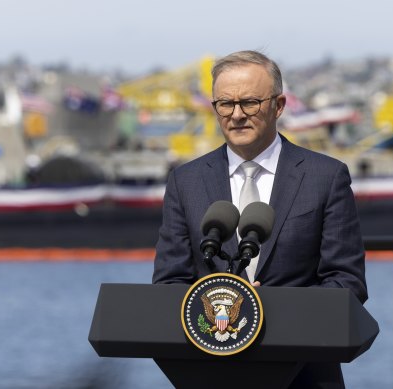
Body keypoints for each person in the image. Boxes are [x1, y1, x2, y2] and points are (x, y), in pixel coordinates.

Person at [152, 50, 367, 388]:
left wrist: (268, 311)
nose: (236, 115)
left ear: (278, 106)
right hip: (210, 374)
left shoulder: (325, 177)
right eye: (225, 104)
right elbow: (168, 283)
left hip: (304, 377)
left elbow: (347, 283)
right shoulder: (185, 182)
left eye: (250, 102)